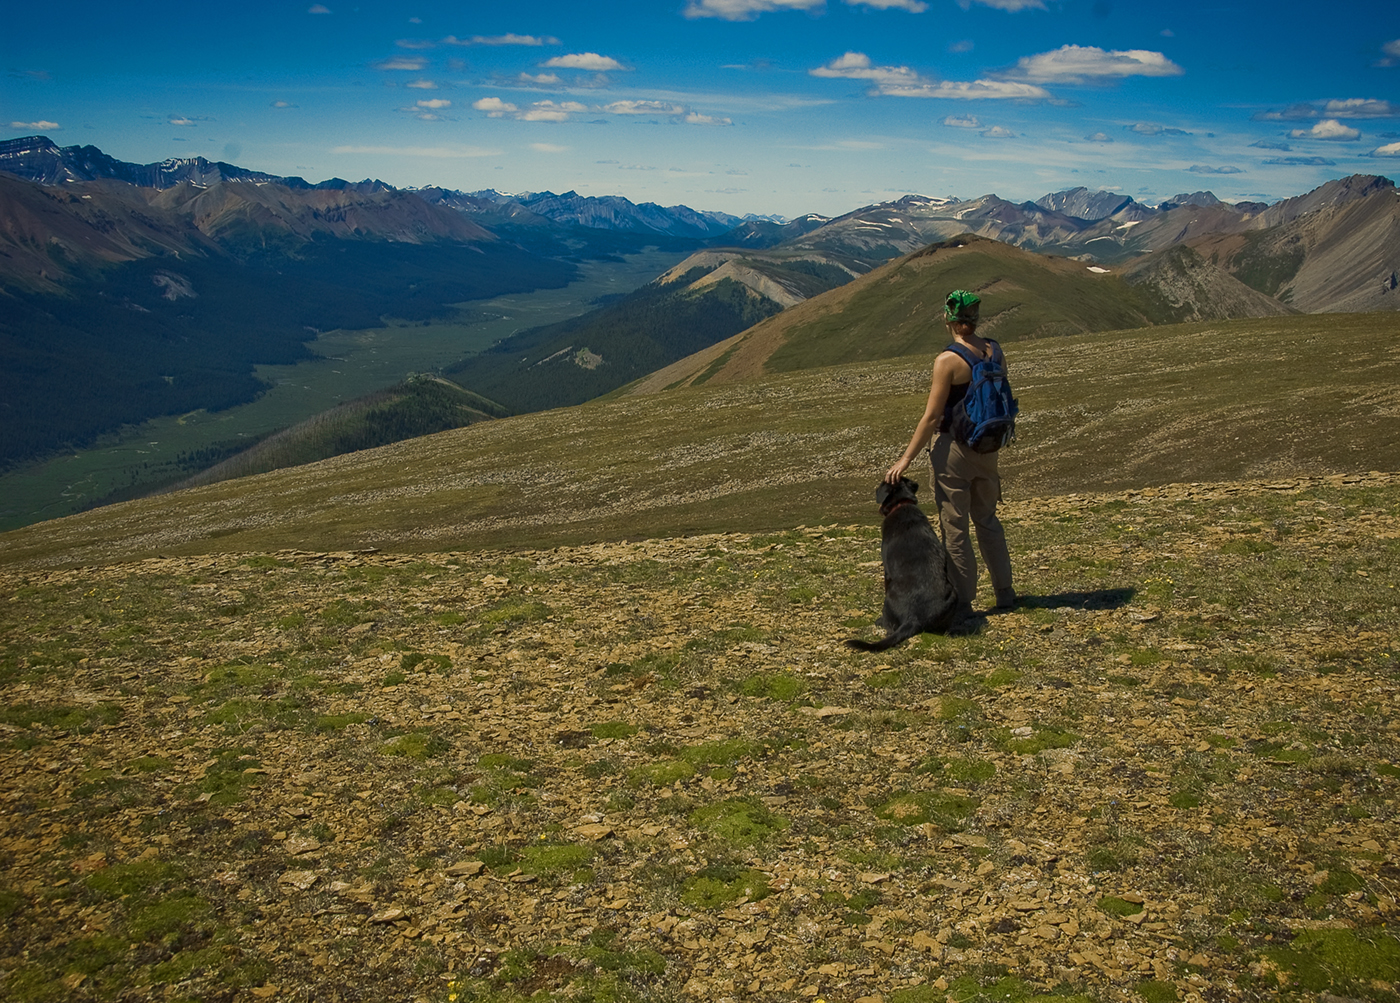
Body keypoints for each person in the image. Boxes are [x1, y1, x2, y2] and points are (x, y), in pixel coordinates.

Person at [883, 289, 1015, 617]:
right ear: (976, 318)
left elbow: (931, 417)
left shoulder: (947, 361)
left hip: (953, 449)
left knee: (954, 525)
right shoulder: (994, 351)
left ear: (949, 318)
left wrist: (906, 459)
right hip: (988, 447)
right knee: (987, 520)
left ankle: (964, 602)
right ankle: (1005, 593)